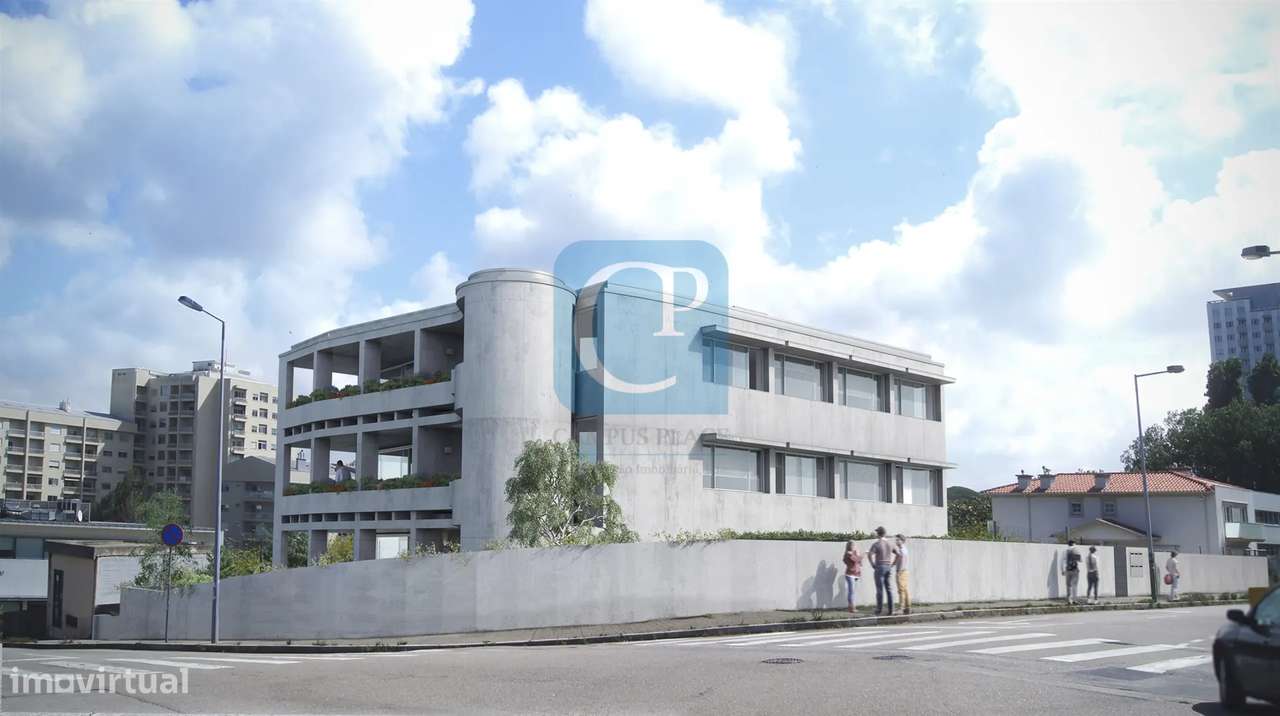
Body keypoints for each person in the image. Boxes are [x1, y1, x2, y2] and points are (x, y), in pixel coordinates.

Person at [867, 526, 896, 616]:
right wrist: (893, 564)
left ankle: (879, 609)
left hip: (879, 567)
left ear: (878, 534)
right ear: (885, 533)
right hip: (888, 566)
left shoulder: (877, 544)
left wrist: (872, 564)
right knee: (889, 589)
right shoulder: (890, 544)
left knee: (879, 589)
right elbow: (898, 554)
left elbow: (869, 554)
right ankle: (891, 610)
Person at [842, 540, 863, 614]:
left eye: (854, 545)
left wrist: (858, 554)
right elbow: (857, 560)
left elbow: (860, 563)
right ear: (849, 546)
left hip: (856, 574)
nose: (854, 547)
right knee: (851, 591)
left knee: (853, 592)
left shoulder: (853, 553)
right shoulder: (848, 553)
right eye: (853, 545)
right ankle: (851, 608)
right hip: (850, 574)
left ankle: (851, 606)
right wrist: (862, 555)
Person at [893, 535, 911, 615]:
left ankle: (901, 608)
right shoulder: (903, 549)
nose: (896, 541)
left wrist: (899, 572)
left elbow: (902, 562)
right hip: (904, 571)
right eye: (896, 540)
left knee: (901, 591)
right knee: (905, 590)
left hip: (901, 572)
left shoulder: (902, 551)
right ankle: (907, 607)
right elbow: (898, 558)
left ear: (902, 541)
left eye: (898, 540)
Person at [1062, 540, 1081, 605]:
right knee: (1074, 585)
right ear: (1073, 544)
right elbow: (1080, 560)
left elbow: (1062, 561)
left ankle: (1069, 600)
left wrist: (1062, 570)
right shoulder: (1076, 550)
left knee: (1068, 585)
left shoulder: (1065, 551)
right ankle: (1075, 600)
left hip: (1067, 570)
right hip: (1075, 570)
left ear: (1068, 544)